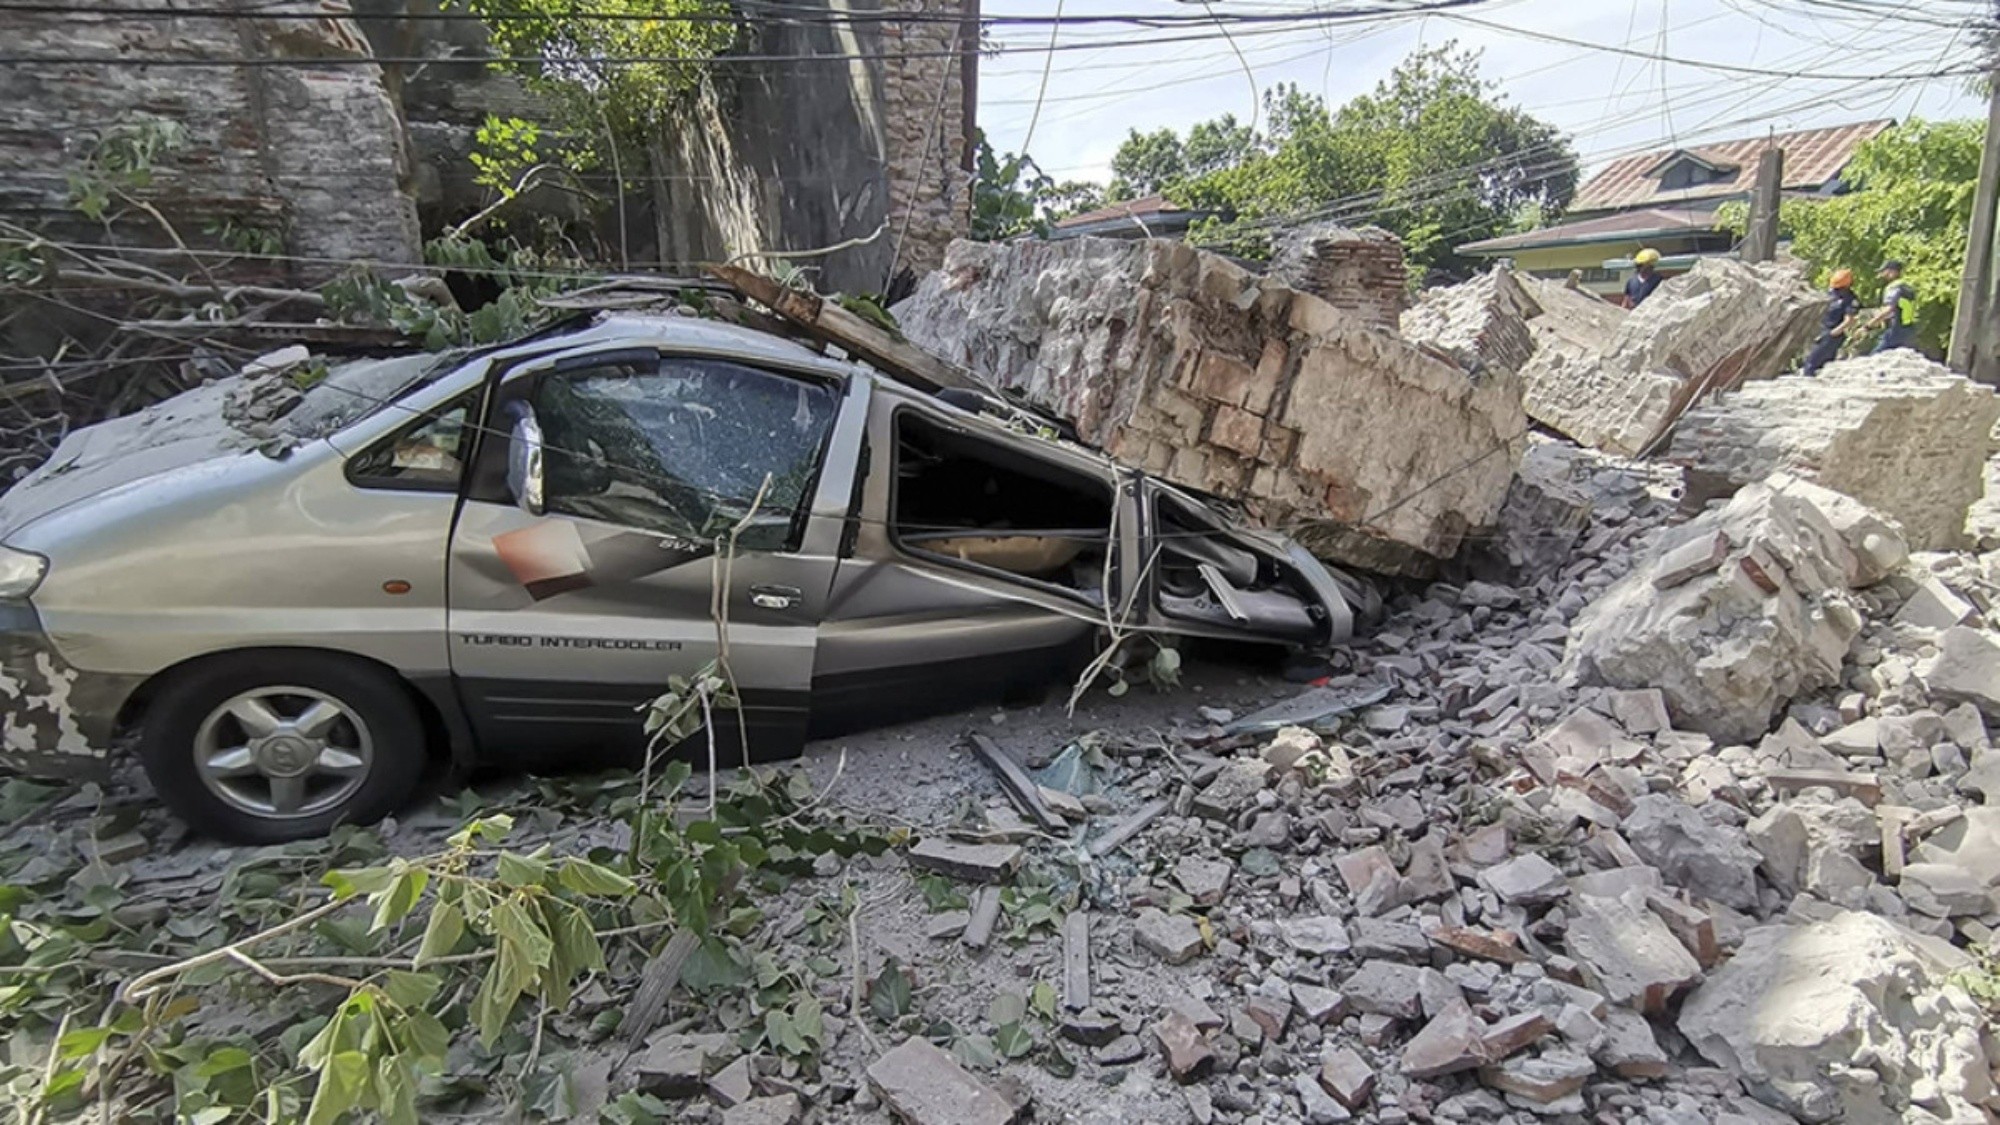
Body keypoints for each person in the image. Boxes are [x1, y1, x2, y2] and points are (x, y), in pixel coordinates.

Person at [1801, 268, 1859, 377]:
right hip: (1822, 330)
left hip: (1833, 333)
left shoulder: (1850, 299)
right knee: (1820, 363)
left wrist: (1834, 332)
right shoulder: (1831, 293)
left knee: (1811, 362)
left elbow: (1849, 319)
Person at [1862, 259, 1919, 353]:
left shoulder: (1894, 287)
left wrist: (1868, 326)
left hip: (1895, 329)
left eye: (1884, 271)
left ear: (1892, 271)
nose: (1882, 274)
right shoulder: (1907, 287)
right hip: (1909, 329)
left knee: (1876, 356)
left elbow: (1889, 309)